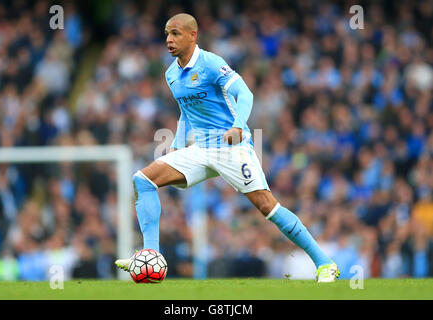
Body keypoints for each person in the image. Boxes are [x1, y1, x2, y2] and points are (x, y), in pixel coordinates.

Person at [115, 13, 339, 282]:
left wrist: (239, 126)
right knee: (143, 180)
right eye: (166, 33)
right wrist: (175, 146)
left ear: (193, 35)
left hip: (231, 146)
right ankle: (152, 258)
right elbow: (186, 112)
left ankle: (324, 263)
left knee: (267, 206)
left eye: (175, 33)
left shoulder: (211, 64)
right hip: (201, 149)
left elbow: (245, 94)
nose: (169, 39)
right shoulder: (172, 73)